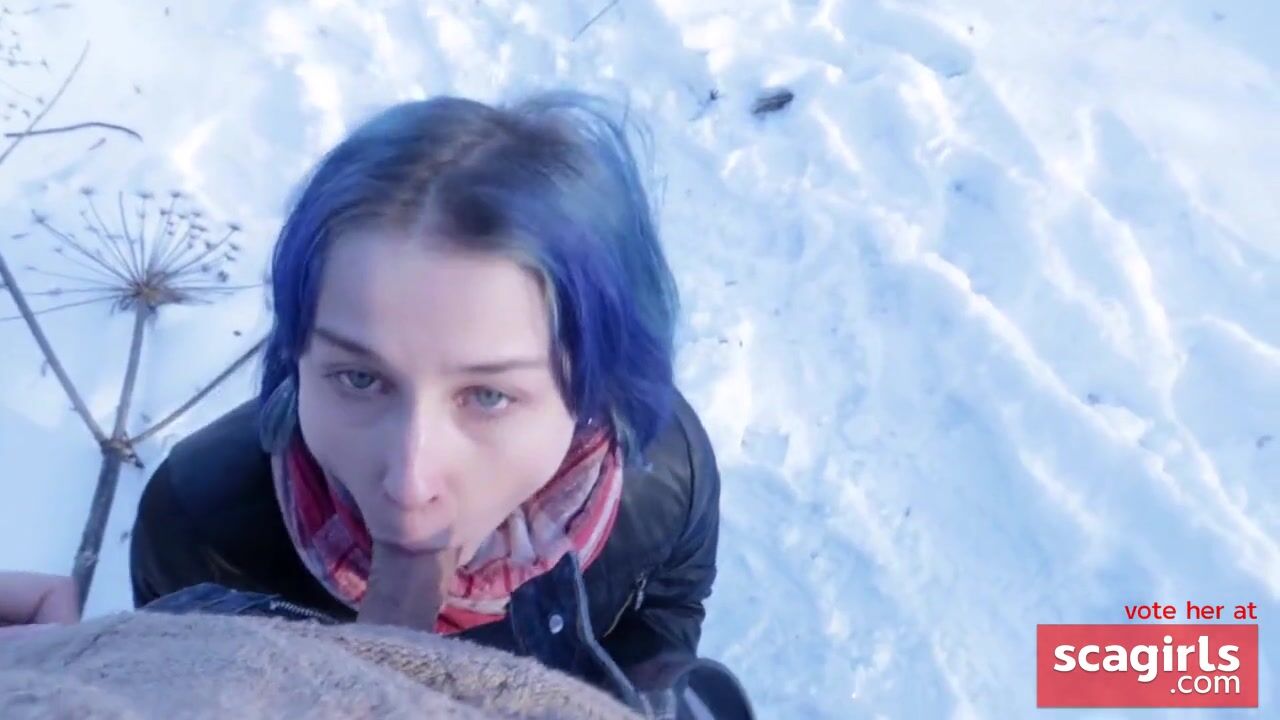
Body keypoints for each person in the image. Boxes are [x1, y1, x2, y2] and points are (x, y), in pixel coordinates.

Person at [128, 92, 753, 718]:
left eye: (488, 395)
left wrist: (630, 693)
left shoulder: (665, 471)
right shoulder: (200, 530)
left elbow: (666, 604)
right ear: (298, 356)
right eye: (359, 379)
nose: (409, 483)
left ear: (597, 383)